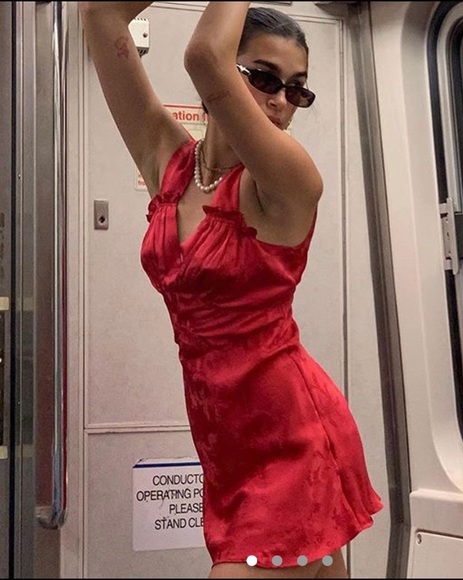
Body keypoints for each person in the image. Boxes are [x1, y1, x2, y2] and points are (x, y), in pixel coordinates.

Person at [79, 2, 383, 578]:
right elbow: (99, 15)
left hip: (291, 439)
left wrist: (223, 62)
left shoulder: (290, 182)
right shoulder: (172, 165)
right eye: (264, 78)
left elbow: (203, 56)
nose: (280, 100)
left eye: (296, 89)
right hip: (227, 443)